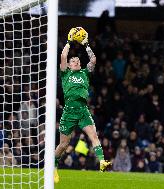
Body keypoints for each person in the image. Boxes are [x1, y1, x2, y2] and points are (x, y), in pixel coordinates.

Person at [54, 28, 111, 183]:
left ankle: (102, 162)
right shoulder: (65, 73)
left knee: (93, 136)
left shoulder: (85, 73)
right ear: (69, 65)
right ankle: (53, 167)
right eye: (73, 61)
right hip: (69, 112)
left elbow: (93, 60)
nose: (76, 61)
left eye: (77, 60)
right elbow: (63, 56)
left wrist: (86, 44)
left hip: (83, 110)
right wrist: (69, 41)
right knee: (63, 145)